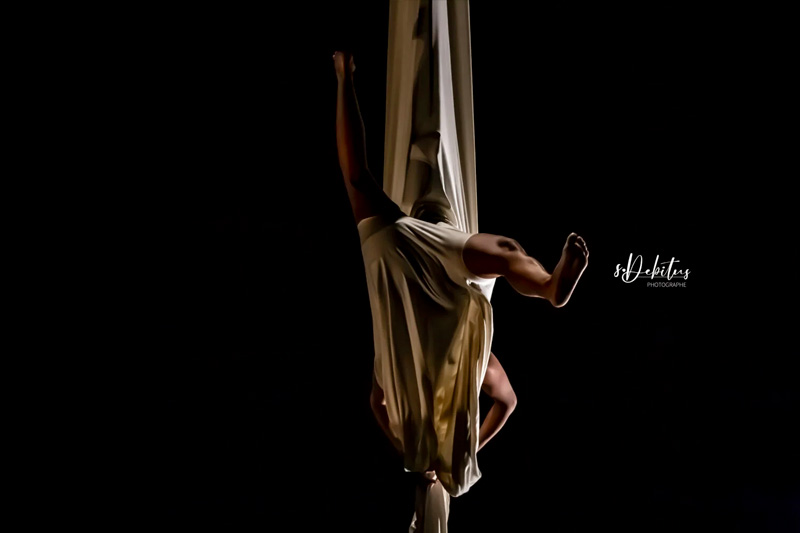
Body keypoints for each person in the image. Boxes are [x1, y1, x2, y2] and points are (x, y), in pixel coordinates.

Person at [334, 48, 588, 530]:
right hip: (408, 264)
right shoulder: (410, 389)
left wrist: (468, 446)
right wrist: (408, 451)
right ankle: (344, 75)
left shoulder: (464, 380)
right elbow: (376, 404)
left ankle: (547, 285)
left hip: (433, 269)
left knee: (503, 253)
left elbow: (508, 400)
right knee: (358, 180)